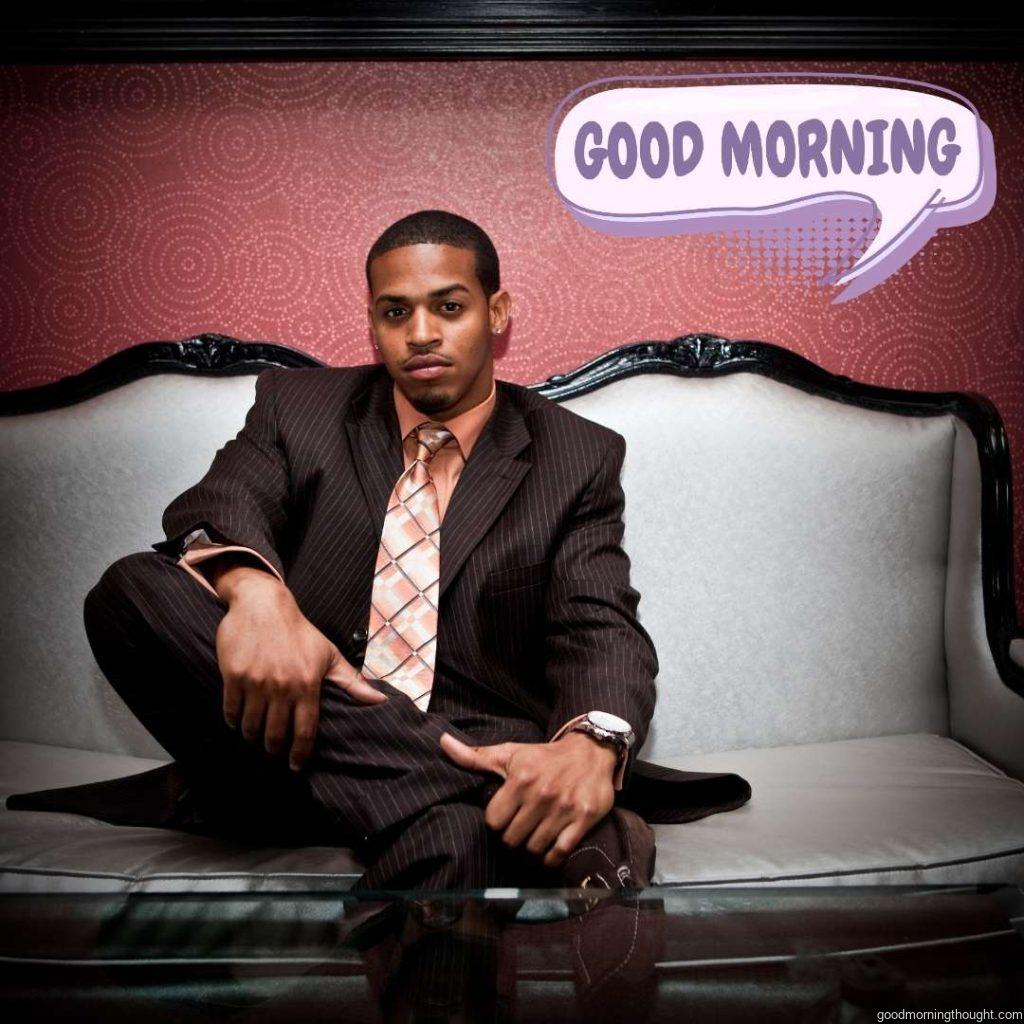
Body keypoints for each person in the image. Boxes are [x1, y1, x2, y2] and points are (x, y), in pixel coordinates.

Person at [10, 210, 750, 895]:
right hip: (276, 752)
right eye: (396, 312)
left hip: (424, 771)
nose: (420, 332)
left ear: (497, 314)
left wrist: (591, 747)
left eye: (449, 307)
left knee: (456, 841)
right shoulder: (299, 408)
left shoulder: (575, 454)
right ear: (373, 323)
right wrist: (257, 595)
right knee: (134, 589)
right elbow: (218, 504)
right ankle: (470, 785)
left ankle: (430, 799)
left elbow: (600, 626)